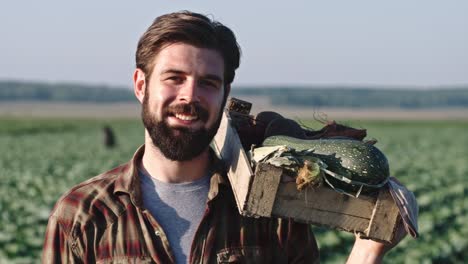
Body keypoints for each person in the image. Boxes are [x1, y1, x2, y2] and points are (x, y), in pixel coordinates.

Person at [42, 11, 405, 263]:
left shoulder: (273, 212)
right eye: (174, 78)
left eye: (208, 83)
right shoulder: (84, 216)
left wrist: (367, 252)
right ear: (141, 85)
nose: (190, 96)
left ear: (224, 94)